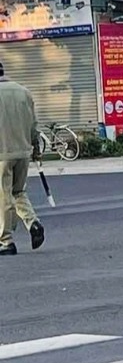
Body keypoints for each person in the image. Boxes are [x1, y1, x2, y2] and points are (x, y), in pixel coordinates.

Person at [0, 61, 45, 256]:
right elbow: (34, 125)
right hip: (23, 151)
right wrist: (35, 148)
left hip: (2, 153)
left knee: (3, 197)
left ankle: (5, 241)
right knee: (18, 192)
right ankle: (33, 222)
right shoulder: (23, 91)